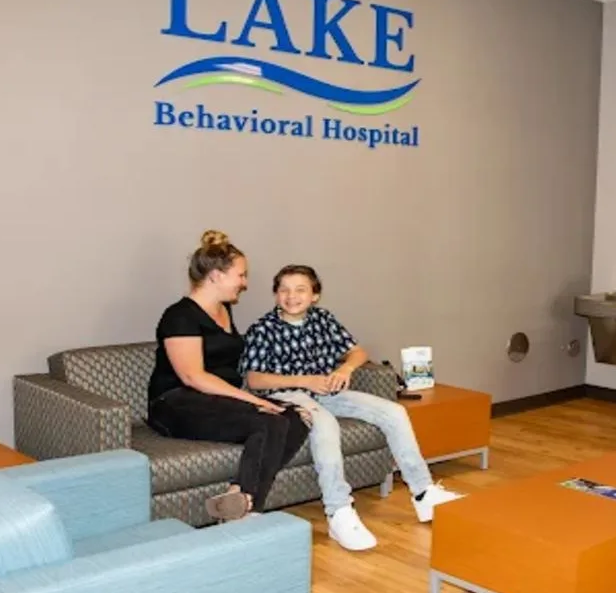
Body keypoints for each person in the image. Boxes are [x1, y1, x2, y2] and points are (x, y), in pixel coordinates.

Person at [240, 264, 463, 551]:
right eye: (284, 290)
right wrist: (304, 380)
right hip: (287, 395)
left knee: (394, 412)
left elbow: (357, 352)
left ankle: (423, 493)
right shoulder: (263, 329)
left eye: (300, 290)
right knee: (326, 425)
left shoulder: (323, 319)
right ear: (276, 294)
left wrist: (345, 369)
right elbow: (254, 379)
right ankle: (339, 512)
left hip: (327, 389)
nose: (291, 296)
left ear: (314, 295)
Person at [146, 231, 310, 522]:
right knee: (270, 420)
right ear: (216, 276)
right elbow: (193, 377)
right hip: (174, 404)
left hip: (215, 400)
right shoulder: (179, 316)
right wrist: (253, 400)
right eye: (241, 275)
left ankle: (238, 496)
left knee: (298, 416)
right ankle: (250, 509)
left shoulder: (224, 310)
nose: (245, 283)